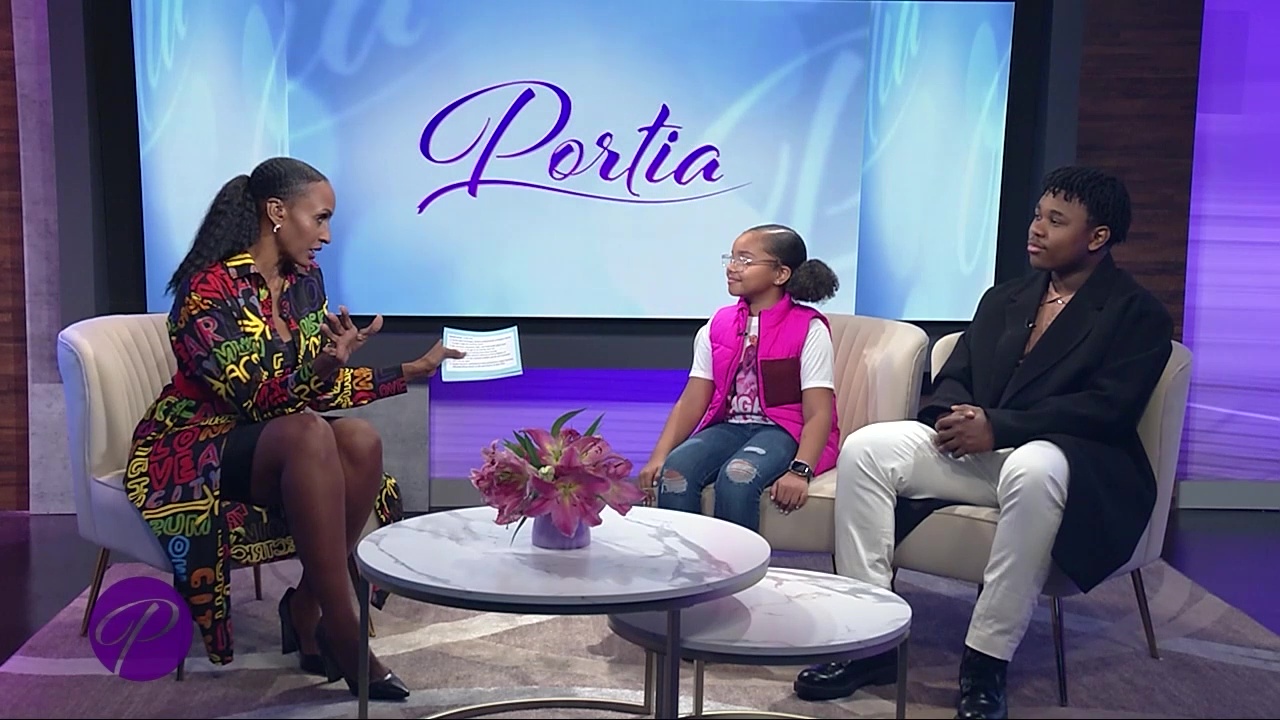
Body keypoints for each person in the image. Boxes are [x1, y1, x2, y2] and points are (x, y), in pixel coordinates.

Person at [791, 166, 1174, 719]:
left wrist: (1000, 426)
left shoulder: (1136, 313)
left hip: (1069, 462)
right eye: (1038, 216)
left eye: (1056, 221)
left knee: (1034, 467)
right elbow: (957, 372)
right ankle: (870, 638)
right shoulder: (1006, 297)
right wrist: (955, 416)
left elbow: (1107, 410)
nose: (1036, 229)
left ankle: (985, 662)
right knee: (869, 448)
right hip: (984, 452)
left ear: (1097, 237)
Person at [123, 156, 464, 701]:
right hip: (194, 445)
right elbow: (253, 399)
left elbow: (311, 391)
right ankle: (343, 630)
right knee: (307, 433)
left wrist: (408, 371)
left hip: (276, 436)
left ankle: (306, 606)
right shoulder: (207, 291)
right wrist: (320, 367)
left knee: (359, 440)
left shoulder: (305, 282)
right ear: (277, 212)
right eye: (320, 218)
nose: (326, 235)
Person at [636, 224, 843, 531]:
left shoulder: (809, 329)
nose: (732, 268)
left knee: (738, 476)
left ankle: (736, 562)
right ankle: (685, 559)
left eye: (745, 260)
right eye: (731, 258)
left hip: (784, 431)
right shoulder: (718, 324)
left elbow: (819, 412)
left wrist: (800, 470)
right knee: (676, 471)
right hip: (730, 427)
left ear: (781, 274)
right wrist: (660, 455)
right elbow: (692, 400)